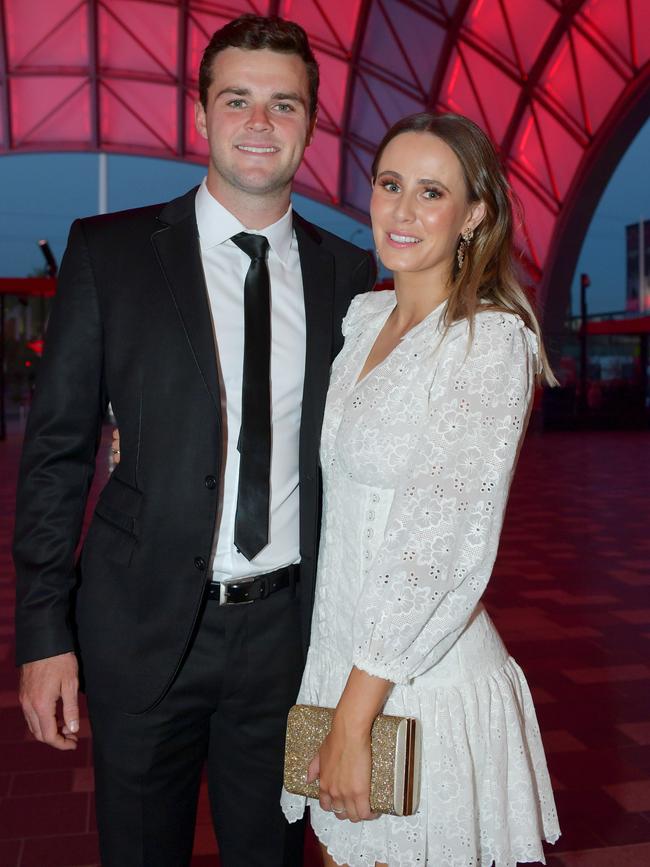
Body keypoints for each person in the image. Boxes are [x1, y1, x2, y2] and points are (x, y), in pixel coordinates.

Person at [13, 14, 374, 867]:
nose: (260, 123)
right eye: (238, 100)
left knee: (278, 855)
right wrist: (42, 634)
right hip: (139, 631)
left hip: (291, 639)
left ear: (311, 124)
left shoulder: (348, 275)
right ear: (200, 114)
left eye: (283, 105)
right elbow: (58, 452)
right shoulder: (109, 255)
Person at [281, 113, 561, 866]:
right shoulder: (363, 316)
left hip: (415, 680)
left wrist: (353, 719)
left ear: (475, 213)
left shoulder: (488, 339)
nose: (402, 210)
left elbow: (440, 544)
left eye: (431, 192)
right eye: (390, 184)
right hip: (340, 665)